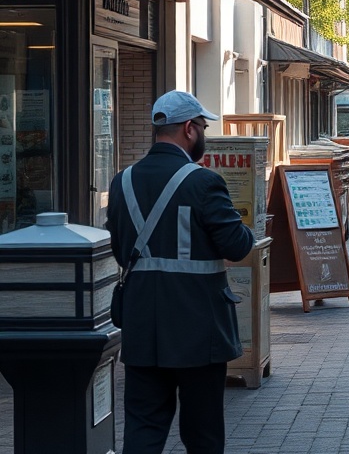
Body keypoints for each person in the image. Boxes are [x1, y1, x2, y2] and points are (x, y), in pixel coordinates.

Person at [105, 90, 255, 454]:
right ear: (189, 129)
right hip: (198, 329)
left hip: (142, 326)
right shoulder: (204, 182)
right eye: (202, 126)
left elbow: (120, 249)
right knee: (202, 432)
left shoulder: (121, 181)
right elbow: (237, 245)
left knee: (142, 427)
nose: (203, 133)